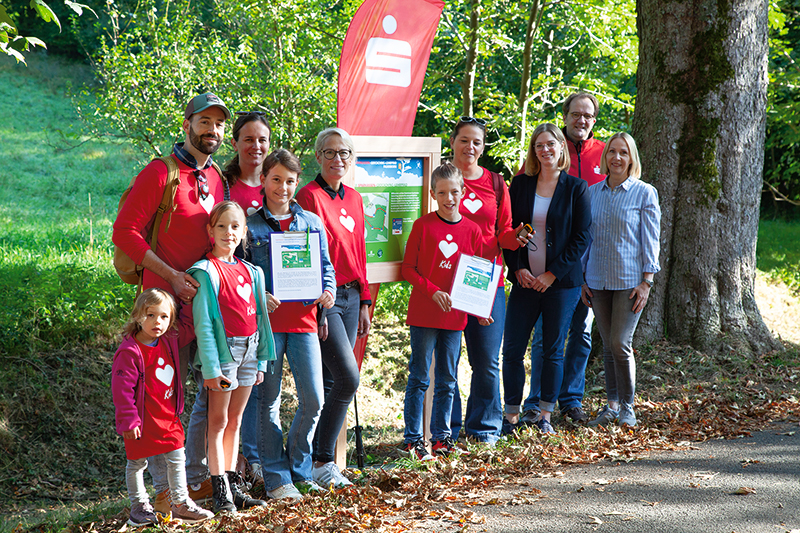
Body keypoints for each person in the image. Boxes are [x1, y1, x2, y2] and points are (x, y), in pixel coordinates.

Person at [112, 92, 231, 510]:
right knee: (156, 397)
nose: (212, 130)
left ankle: (188, 483)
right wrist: (173, 278)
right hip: (162, 308)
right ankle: (161, 494)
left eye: (218, 124)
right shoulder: (161, 172)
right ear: (187, 125)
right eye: (204, 121)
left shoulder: (216, 177)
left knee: (202, 390)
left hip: (202, 305)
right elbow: (124, 232)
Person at [239, 149, 337, 500]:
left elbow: (327, 266)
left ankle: (301, 467)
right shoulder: (249, 227)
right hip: (266, 327)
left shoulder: (311, 222)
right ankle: (278, 478)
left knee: (314, 398)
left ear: (298, 183)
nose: (283, 187)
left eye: (290, 181)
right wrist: (257, 293)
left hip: (305, 323)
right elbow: (237, 274)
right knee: (268, 401)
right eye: (276, 179)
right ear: (263, 180)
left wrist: (328, 289)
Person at [521, 92, 607, 427]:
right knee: (545, 336)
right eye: (575, 114)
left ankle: (571, 400)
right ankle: (535, 402)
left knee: (581, 335)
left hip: (589, 262)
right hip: (550, 266)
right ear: (565, 117)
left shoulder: (604, 153)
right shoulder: (549, 150)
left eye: (588, 115)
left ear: (594, 120)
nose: (581, 120)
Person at [502, 123, 592, 435]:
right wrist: (517, 269)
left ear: (561, 148)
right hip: (525, 282)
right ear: (533, 150)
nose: (545, 150)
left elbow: (582, 238)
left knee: (553, 349)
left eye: (551, 144)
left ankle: (544, 416)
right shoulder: (520, 185)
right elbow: (508, 230)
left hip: (561, 285)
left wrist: (552, 274)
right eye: (539, 145)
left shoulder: (576, 188)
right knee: (512, 349)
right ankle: (512, 415)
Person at [295, 127, 371, 489]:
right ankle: (323, 460)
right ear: (318, 157)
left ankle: (312, 464)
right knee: (348, 378)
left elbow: (360, 252)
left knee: (331, 381)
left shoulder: (355, 198)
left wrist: (367, 299)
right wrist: (318, 306)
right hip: (326, 298)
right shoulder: (307, 197)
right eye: (329, 152)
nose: (337, 159)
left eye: (344, 153)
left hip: (354, 295)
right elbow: (305, 255)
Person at [187, 201, 275, 513]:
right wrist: (210, 369)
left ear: (244, 232)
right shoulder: (206, 272)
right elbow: (205, 327)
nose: (229, 232)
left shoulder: (253, 272)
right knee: (218, 420)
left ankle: (233, 482)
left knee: (235, 420)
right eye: (222, 226)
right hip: (224, 355)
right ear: (210, 231)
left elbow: (261, 319)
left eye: (235, 226)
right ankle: (219, 491)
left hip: (250, 352)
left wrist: (262, 359)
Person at [447, 117, 526, 444]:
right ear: (453, 142)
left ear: (483, 146)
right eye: (464, 140)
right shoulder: (440, 178)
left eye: (476, 142)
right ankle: (445, 430)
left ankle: (484, 429)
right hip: (446, 282)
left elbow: (503, 232)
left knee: (487, 361)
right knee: (446, 362)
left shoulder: (495, 183)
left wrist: (517, 237)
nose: (470, 147)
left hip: (485, 282)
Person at [402, 163, 488, 459]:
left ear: (463, 192)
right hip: (424, 314)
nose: (448, 198)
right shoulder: (422, 226)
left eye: (454, 191)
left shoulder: (473, 230)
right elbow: (408, 269)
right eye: (442, 193)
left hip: (455, 317)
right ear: (432, 194)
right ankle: (413, 439)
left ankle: (441, 437)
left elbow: (475, 277)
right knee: (419, 377)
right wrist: (432, 291)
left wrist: (480, 310)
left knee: (448, 378)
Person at [111, 288, 214, 526]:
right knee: (137, 463)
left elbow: (190, 324)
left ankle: (180, 503)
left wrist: (189, 299)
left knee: (177, 458)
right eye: (150, 315)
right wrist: (128, 420)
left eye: (164, 316)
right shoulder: (129, 352)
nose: (158, 322)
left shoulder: (169, 340)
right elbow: (121, 389)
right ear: (137, 316)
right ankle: (139, 506)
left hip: (167, 416)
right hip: (141, 420)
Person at [583, 133, 661, 428]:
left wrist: (647, 281)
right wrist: (582, 278)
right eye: (612, 152)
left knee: (620, 343)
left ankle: (628, 407)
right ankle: (611, 406)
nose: (617, 158)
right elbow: (587, 240)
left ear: (632, 159)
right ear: (605, 158)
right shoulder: (592, 193)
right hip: (597, 279)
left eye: (623, 153)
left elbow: (650, 239)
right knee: (606, 343)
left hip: (630, 282)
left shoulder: (644, 193)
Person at [225, 111, 271, 216]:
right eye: (249, 140)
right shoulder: (223, 185)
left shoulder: (276, 184)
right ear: (234, 144)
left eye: (262, 140)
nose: (256, 146)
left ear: (269, 144)